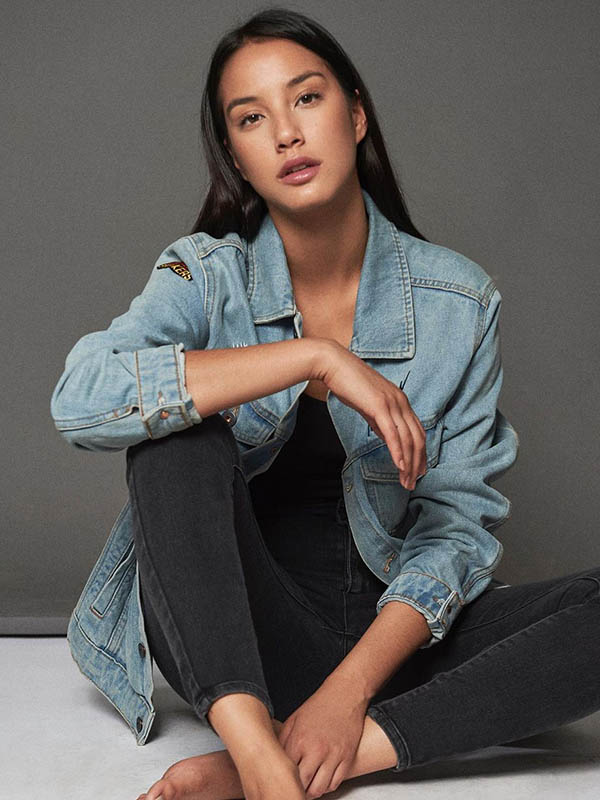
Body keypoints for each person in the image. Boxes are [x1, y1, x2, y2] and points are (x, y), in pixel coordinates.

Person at [50, 7, 600, 800]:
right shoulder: (204, 275)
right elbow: (81, 399)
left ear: (356, 114)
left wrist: (347, 696)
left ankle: (289, 761)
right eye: (251, 118)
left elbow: (455, 528)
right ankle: (260, 751)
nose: (286, 133)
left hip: (390, 646)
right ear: (236, 157)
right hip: (243, 642)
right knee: (176, 440)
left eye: (306, 98)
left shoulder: (458, 301)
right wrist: (316, 358)